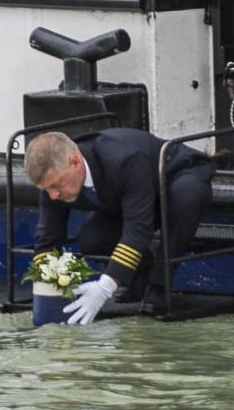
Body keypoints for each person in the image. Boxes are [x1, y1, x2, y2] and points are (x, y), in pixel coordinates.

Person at [25, 128, 216, 325]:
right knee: (92, 239)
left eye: (56, 186)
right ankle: (139, 276)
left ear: (75, 162)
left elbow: (138, 230)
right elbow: (47, 239)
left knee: (186, 197)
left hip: (175, 177)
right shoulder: (54, 184)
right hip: (130, 198)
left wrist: (104, 287)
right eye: (46, 189)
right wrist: (47, 298)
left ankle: (159, 285)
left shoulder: (124, 159)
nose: (53, 196)